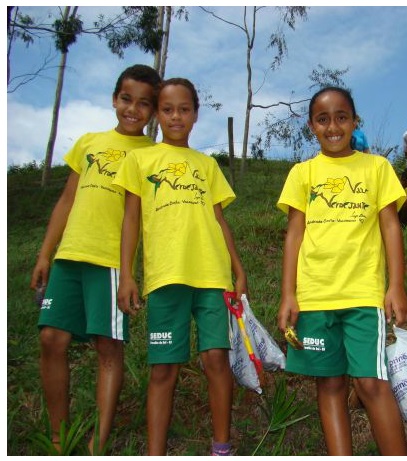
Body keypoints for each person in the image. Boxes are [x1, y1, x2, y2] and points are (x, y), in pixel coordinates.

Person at [29, 64, 160, 454]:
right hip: (70, 255)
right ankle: (59, 435)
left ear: (153, 111)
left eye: (143, 104)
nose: (132, 110)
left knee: (108, 348)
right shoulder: (88, 142)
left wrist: (135, 273)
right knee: (51, 338)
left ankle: (97, 444)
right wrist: (44, 254)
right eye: (126, 99)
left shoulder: (153, 155)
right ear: (114, 98)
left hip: (110, 262)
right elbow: (67, 200)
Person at [114, 78, 247, 456]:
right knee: (163, 369)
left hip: (211, 274)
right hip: (165, 277)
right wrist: (127, 273)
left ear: (195, 115)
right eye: (168, 109)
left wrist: (237, 268)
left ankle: (221, 446)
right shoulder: (139, 160)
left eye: (184, 109)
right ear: (157, 114)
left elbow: (219, 220)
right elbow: (130, 220)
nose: (176, 116)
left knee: (216, 359)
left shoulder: (206, 165)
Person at [277, 86, 407, 456]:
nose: (332, 126)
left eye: (341, 117)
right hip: (315, 296)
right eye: (323, 119)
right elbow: (294, 235)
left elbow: (390, 227)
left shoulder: (376, 167)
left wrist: (395, 286)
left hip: (363, 295)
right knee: (329, 384)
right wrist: (289, 294)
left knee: (371, 385)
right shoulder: (302, 173)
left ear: (354, 122)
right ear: (311, 126)